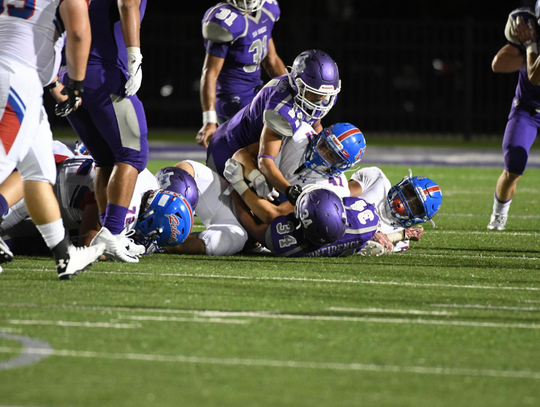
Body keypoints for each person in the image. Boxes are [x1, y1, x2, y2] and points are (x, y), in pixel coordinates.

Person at [0, 0, 105, 279]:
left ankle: (64, 256)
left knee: (39, 173)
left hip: (21, 79)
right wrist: (75, 85)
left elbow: (26, 33)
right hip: (15, 81)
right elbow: (79, 32)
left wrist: (51, 84)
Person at [52, 0, 149, 260]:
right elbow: (128, 4)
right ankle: (112, 232)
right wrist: (134, 55)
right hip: (103, 74)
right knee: (132, 154)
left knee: (106, 160)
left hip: (70, 76)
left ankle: (112, 234)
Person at [206, 49, 341, 205]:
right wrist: (291, 192)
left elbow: (315, 125)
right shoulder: (281, 109)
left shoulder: (319, 95)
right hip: (229, 149)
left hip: (257, 148)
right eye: (314, 93)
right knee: (249, 215)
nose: (321, 98)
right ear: (298, 85)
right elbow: (266, 161)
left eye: (324, 94)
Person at [0, 142, 158, 259]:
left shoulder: (146, 182)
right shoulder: (128, 207)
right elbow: (87, 244)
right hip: (41, 187)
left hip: (53, 184)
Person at [223, 161, 379, 257]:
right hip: (352, 235)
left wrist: (236, 186)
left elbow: (255, 228)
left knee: (250, 239)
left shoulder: (289, 244)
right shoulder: (367, 221)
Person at [197, 0, 287, 147]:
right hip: (233, 98)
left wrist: (292, 90)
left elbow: (272, 60)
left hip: (257, 92)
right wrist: (209, 120)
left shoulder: (266, 11)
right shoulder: (226, 19)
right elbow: (210, 74)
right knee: (264, 144)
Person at [487, 6, 540, 231]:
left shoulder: (532, 41)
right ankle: (499, 215)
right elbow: (498, 65)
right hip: (527, 111)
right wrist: (527, 46)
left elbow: (535, 75)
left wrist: (531, 47)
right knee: (514, 163)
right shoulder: (531, 33)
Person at [231, 121, 366, 200]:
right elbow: (242, 154)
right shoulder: (298, 135)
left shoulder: (335, 191)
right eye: (324, 144)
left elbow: (275, 217)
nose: (321, 153)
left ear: (342, 166)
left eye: (332, 156)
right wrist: (256, 177)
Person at [142, 163, 249, 256]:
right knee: (178, 179)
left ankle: (154, 242)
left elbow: (258, 226)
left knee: (218, 242)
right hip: (232, 197)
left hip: (242, 225)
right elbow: (184, 169)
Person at [348, 167, 443, 255]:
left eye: (413, 207)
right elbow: (341, 194)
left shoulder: (399, 239)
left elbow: (369, 248)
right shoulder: (378, 180)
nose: (404, 203)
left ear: (418, 217)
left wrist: (399, 236)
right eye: (407, 194)